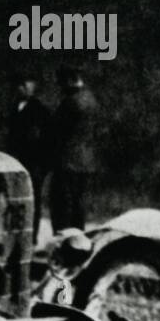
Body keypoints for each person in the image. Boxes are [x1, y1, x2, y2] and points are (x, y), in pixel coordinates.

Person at [50, 66, 98, 232]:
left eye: (61, 82)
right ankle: (78, 241)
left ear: (70, 80)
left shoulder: (70, 102)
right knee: (79, 207)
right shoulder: (91, 99)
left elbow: (57, 131)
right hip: (86, 161)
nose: (60, 87)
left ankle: (64, 242)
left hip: (67, 161)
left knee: (62, 207)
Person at [7, 72, 53, 239]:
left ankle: (31, 235)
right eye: (20, 85)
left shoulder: (40, 111)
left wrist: (43, 166)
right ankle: (17, 233)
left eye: (26, 85)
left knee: (33, 199)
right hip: (16, 160)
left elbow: (48, 140)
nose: (22, 88)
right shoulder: (14, 108)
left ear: (34, 88)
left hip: (34, 163)